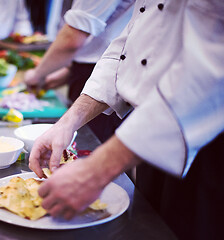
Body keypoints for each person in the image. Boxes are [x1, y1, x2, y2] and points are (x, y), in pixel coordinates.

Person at [29, 0, 224, 239]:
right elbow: (129, 47)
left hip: (202, 140)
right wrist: (68, 122)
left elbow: (211, 71)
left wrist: (96, 170)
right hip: (146, 135)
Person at [24, 0, 134, 142]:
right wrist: (71, 71)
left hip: (105, 78)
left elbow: (72, 38)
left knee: (91, 146)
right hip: (94, 69)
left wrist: (36, 74)